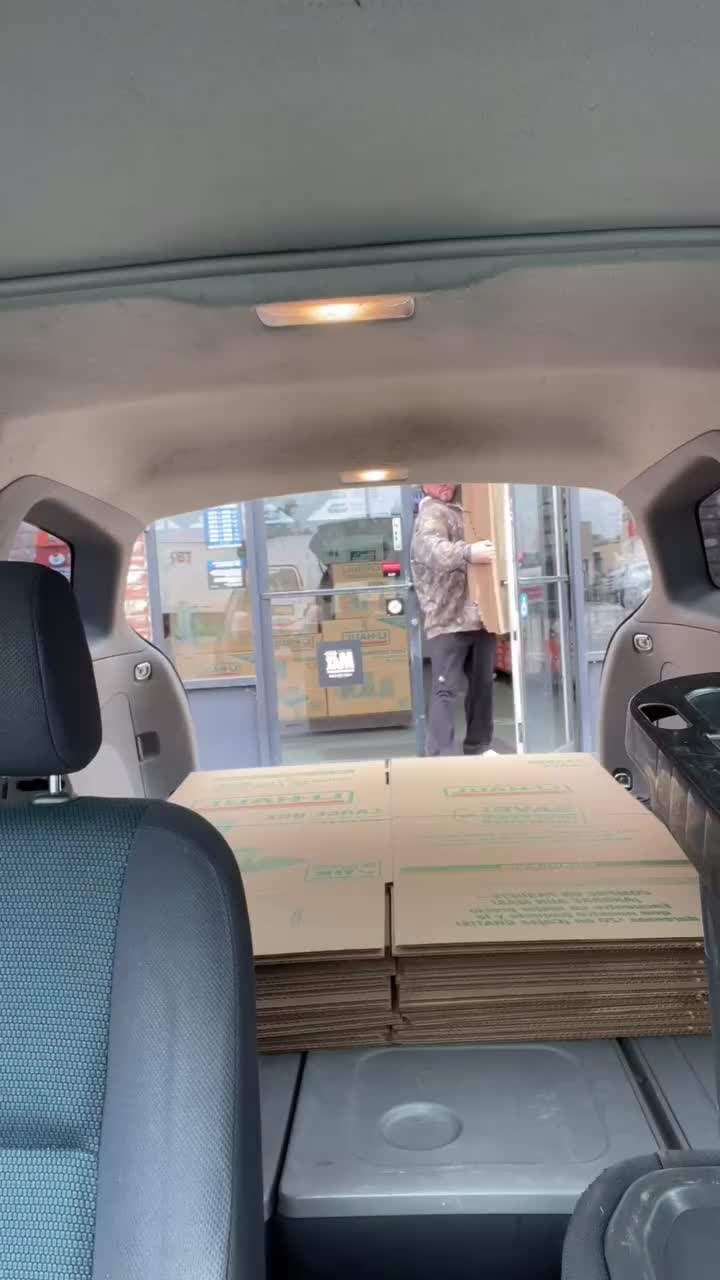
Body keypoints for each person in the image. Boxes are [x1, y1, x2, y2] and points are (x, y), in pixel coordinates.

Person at [411, 484, 496, 756]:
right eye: (436, 479)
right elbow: (434, 551)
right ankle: (440, 755)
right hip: (447, 619)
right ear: (423, 484)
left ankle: (479, 746)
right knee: (445, 689)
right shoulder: (431, 514)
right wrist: (469, 553)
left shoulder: (467, 510)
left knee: (482, 686)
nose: (445, 483)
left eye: (448, 477)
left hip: (479, 616)